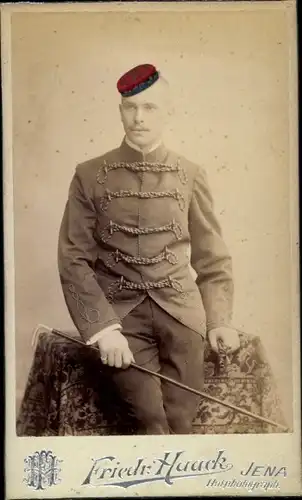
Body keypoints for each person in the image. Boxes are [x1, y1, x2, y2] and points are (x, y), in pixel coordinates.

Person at [58, 63, 240, 435]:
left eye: (150, 107)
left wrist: (219, 319)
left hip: (182, 317)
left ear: (169, 111)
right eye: (130, 107)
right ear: (121, 110)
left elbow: (213, 256)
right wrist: (104, 330)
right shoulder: (89, 174)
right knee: (150, 421)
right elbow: (73, 258)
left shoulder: (190, 173)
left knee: (180, 421)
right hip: (120, 316)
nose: (138, 118)